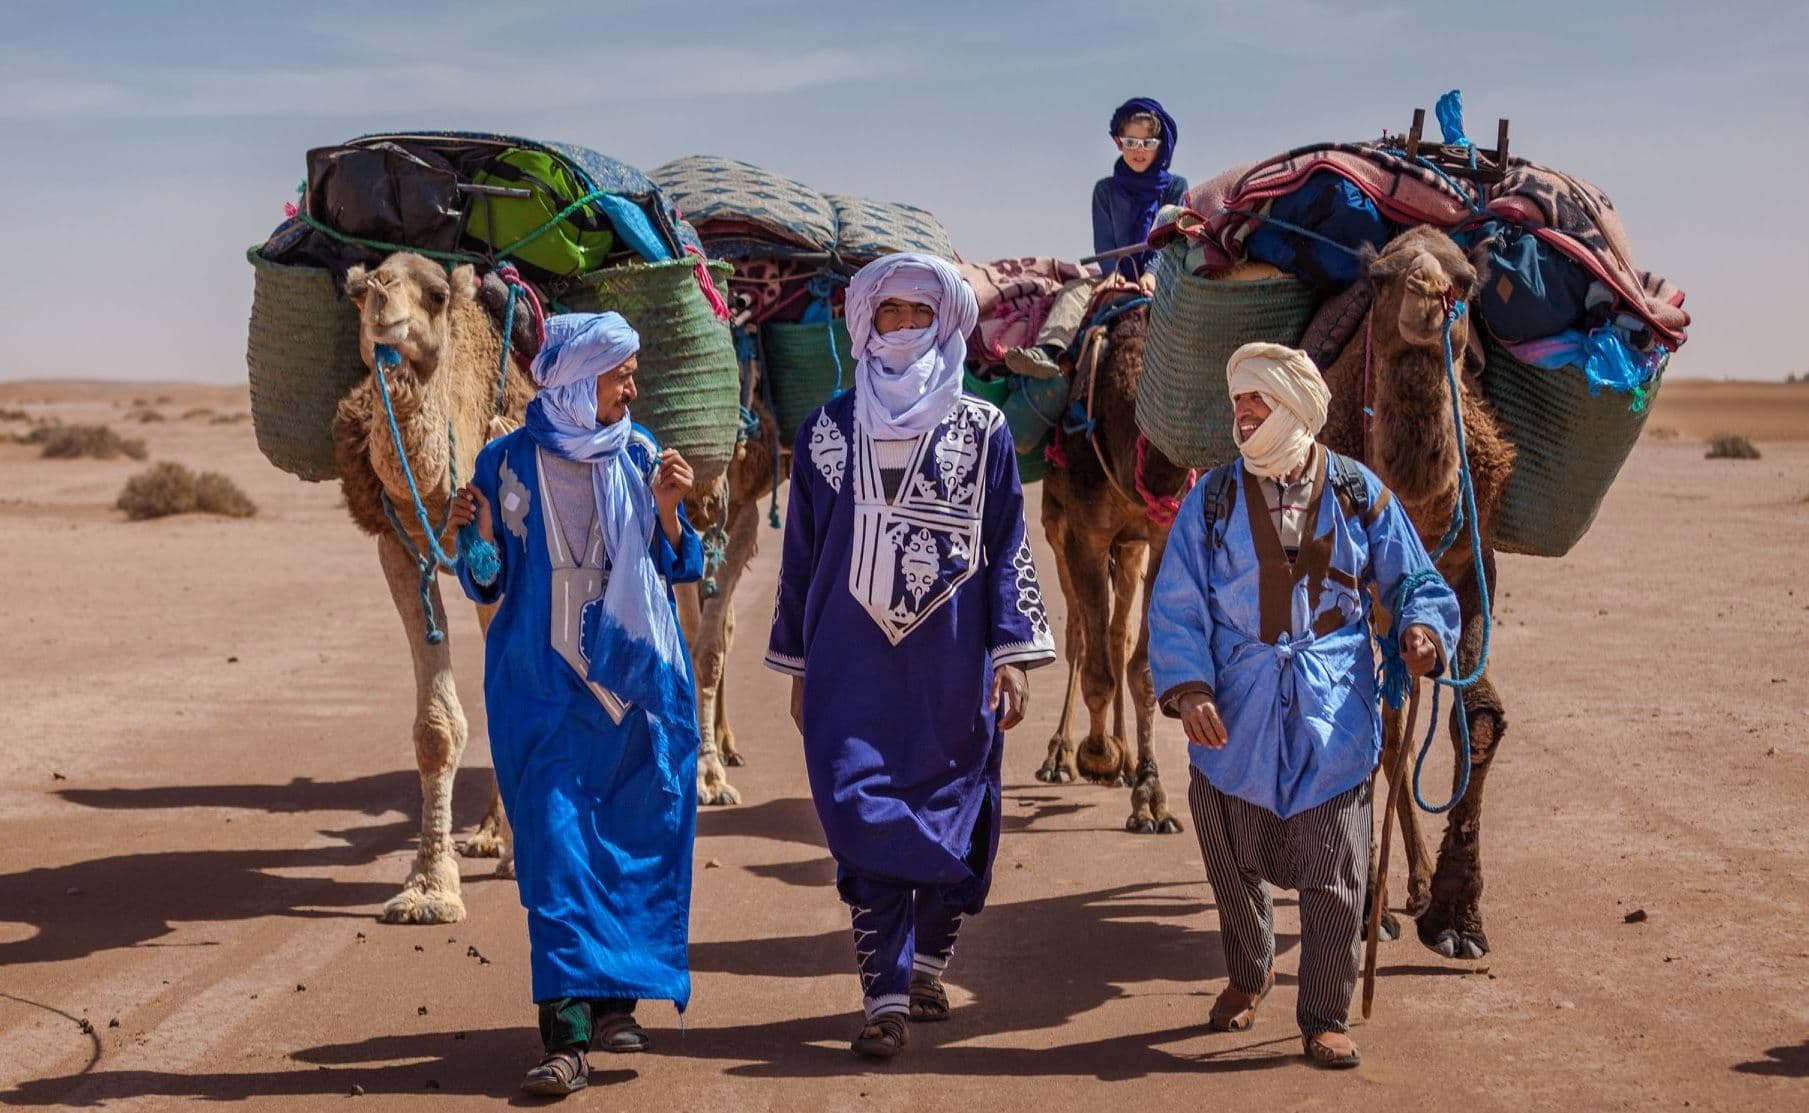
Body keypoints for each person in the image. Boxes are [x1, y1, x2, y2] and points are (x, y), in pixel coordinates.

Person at [766, 252, 1057, 1059]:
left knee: (961, 823)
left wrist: (1010, 655)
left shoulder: (984, 429)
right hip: (848, 668)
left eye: (915, 315)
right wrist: (797, 666)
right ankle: (884, 997)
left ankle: (927, 959)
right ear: (864, 324)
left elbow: (1007, 545)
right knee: (861, 814)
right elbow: (799, 557)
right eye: (886, 314)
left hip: (953, 665)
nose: (900, 329)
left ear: (944, 322)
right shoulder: (825, 430)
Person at [1147, 343, 1460, 1070]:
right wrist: (1189, 686)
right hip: (1233, 714)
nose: (1243, 416)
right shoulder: (1212, 498)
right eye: (1238, 405)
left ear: (1293, 410)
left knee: (1337, 874)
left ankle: (1323, 1013)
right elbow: (1176, 603)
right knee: (1233, 867)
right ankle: (1248, 973)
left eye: (1257, 403)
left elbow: (1415, 579)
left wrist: (1419, 628)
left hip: (1332, 715)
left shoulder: (1358, 492)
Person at [449, 311, 704, 1098]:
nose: (632, 386)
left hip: (632, 691)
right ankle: (564, 1034)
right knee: (557, 851)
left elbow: (680, 562)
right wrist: (475, 534)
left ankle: (615, 1000)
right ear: (573, 380)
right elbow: (486, 581)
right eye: (619, 373)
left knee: (628, 839)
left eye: (632, 373)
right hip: (541, 693)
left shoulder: (638, 453)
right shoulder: (503, 461)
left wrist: (668, 509)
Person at [1005, 96, 1189, 379]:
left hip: (1162, 276)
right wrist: (1113, 272)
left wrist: (1152, 272)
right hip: (1114, 274)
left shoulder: (1176, 187)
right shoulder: (1105, 191)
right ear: (1119, 142)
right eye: (1131, 142)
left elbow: (1170, 237)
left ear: (1161, 145)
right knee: (1074, 291)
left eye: (1147, 143)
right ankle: (1049, 351)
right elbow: (1104, 243)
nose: (1138, 150)